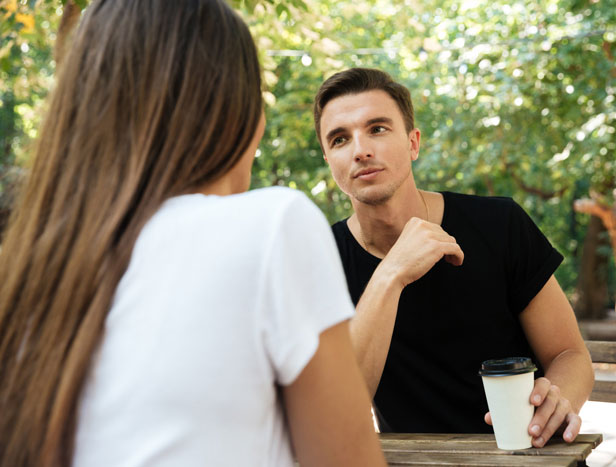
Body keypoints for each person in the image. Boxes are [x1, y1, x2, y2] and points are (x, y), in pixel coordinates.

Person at [0, 4, 386, 467]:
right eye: (339, 138)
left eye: (376, 129)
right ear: (241, 116)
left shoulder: (31, 265)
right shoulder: (272, 226)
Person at [313, 67, 594, 448]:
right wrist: (392, 272)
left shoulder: (499, 223)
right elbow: (340, 410)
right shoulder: (321, 259)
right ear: (329, 159)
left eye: (378, 129)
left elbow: (569, 353)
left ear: (413, 143)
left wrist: (556, 399)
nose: (361, 149)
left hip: (526, 454)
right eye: (340, 139)